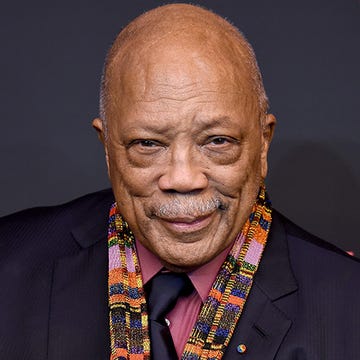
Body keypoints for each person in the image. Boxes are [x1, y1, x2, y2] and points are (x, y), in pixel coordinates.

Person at [0, 3, 359, 360]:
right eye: (148, 144)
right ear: (106, 148)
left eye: (218, 141)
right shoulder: (11, 266)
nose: (183, 179)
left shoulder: (347, 306)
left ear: (263, 143)